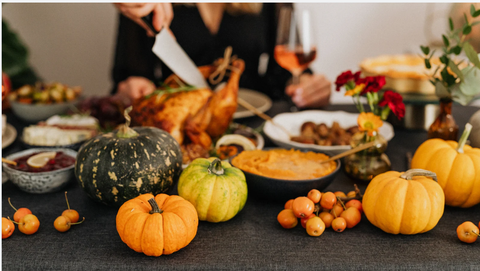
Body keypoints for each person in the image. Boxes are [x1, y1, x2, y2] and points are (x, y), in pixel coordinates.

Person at [111, 3, 331, 109]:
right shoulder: (144, 3)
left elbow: (284, 69)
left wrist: (304, 84)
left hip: (255, 124)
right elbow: (129, 74)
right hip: (177, 123)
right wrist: (133, 87)